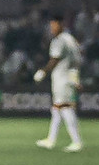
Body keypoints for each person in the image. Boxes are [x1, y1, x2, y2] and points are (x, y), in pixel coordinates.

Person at [35, 14, 84, 151]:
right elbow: (77, 60)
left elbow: (55, 59)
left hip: (62, 79)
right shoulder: (70, 39)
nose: (52, 28)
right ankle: (51, 139)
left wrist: (43, 71)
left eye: (54, 25)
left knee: (65, 107)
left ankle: (77, 141)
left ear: (61, 24)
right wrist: (75, 78)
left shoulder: (59, 41)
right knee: (56, 109)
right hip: (67, 77)